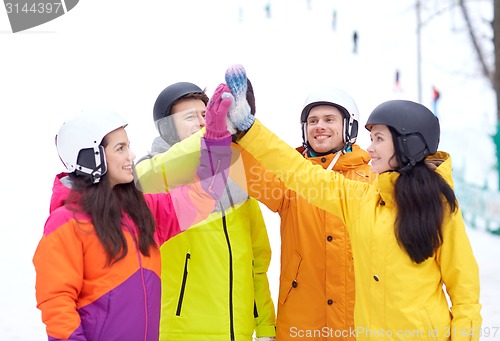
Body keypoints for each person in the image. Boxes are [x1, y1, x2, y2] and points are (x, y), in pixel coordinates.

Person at [223, 64, 482, 340]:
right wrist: (243, 132)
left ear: (407, 144)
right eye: (313, 121)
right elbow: (294, 170)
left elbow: (464, 292)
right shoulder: (358, 198)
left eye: (379, 139)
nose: (371, 148)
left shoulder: (435, 206)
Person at [32, 83, 234, 341]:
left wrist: (215, 138)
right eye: (120, 148)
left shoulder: (142, 210)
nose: (131, 155)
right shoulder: (65, 223)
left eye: (128, 146)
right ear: (91, 157)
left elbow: (204, 194)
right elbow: (57, 304)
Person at [135, 82, 276, 340]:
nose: (203, 122)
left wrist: (265, 325)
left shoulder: (236, 176)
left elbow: (256, 262)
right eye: (190, 117)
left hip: (238, 333)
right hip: (180, 332)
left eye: (206, 115)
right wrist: (217, 133)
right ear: (167, 127)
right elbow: (161, 173)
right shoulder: (149, 174)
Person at [232, 85, 374, 340]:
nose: (319, 126)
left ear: (349, 127)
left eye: (329, 119)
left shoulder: (371, 180)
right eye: (312, 121)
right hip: (301, 322)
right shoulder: (290, 181)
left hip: (359, 322)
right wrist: (235, 134)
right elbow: (248, 171)